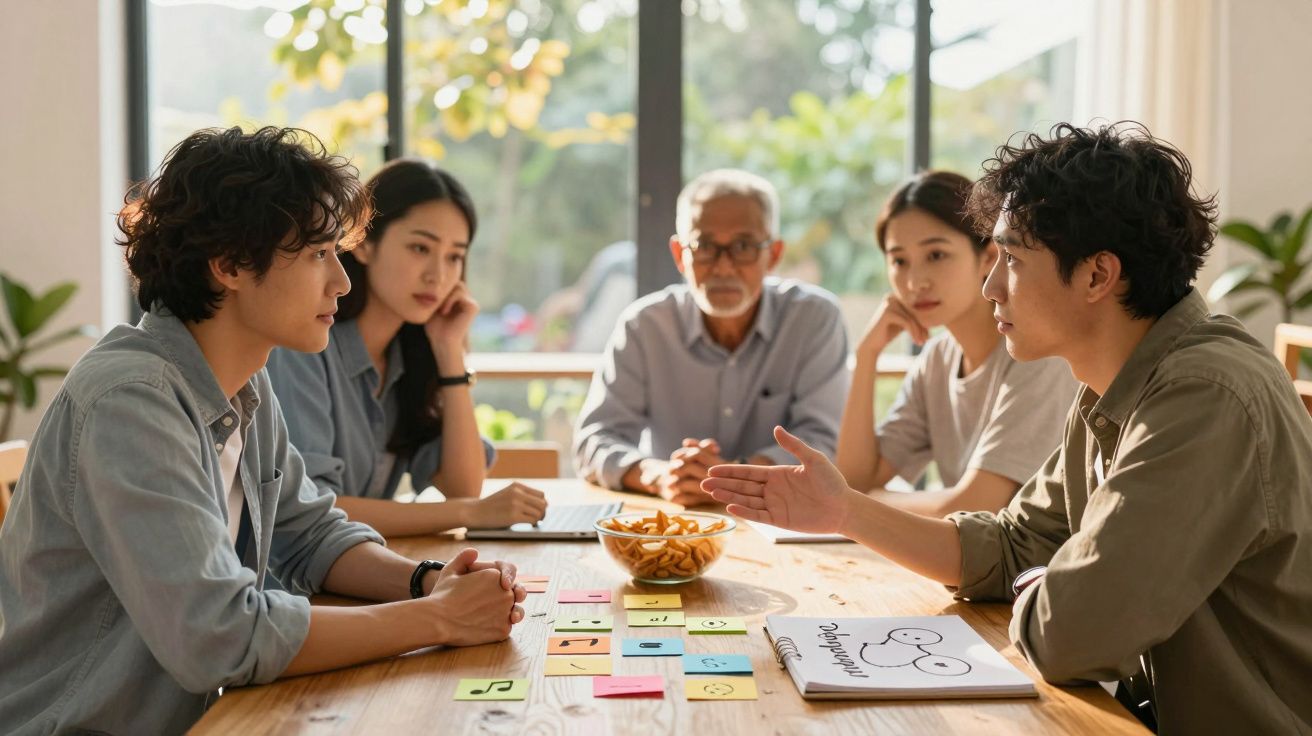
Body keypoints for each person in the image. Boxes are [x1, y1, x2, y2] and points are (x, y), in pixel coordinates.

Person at [703, 123, 1312, 734]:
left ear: (1097, 275)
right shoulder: (1109, 387)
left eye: (1013, 260)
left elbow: (1071, 637)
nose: (991, 286)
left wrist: (1046, 588)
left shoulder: (1204, 394)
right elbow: (1010, 546)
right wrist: (845, 512)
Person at [0, 127, 527, 734]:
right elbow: (218, 637)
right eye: (318, 254)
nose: (342, 282)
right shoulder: (132, 401)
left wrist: (428, 581)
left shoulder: (243, 382)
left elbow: (311, 535)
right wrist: (438, 619)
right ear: (228, 264)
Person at [267, 159, 546, 537]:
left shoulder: (408, 359)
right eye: (420, 248)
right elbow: (315, 507)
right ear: (363, 243)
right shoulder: (305, 347)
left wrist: (449, 349)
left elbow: (463, 486)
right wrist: (469, 512)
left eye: (454, 256)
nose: (438, 275)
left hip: (363, 568)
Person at [572, 168, 850, 507]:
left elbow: (823, 441)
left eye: (744, 246)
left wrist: (728, 478)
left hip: (783, 517)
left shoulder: (813, 319)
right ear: (680, 254)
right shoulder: (645, 326)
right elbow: (594, 440)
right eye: (704, 246)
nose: (723, 267)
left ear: (774, 255)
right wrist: (659, 475)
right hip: (675, 518)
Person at [836, 171, 1077, 516]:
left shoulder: (1037, 354)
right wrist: (866, 355)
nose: (915, 282)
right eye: (899, 261)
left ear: (988, 257)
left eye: (936, 255)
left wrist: (859, 503)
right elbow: (855, 480)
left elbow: (976, 506)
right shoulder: (937, 360)